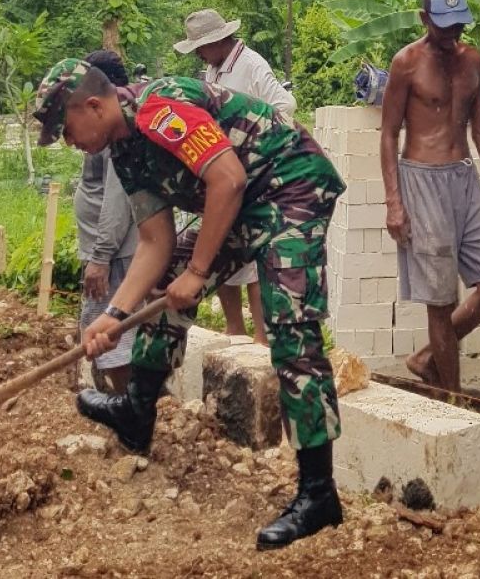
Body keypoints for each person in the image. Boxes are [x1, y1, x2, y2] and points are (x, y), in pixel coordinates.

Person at [32, 58, 345, 550]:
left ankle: (319, 494)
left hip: (292, 184)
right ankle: (137, 413)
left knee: (290, 329)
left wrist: (198, 274)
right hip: (249, 198)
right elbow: (155, 242)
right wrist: (114, 316)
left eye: (66, 130)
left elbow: (228, 180)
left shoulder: (160, 112)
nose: (68, 143)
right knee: (169, 278)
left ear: (93, 105)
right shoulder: (124, 153)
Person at [380, 0, 480, 393]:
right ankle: (452, 398)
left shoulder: (472, 60)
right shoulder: (406, 63)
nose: (451, 34)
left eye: (458, 25)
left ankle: (426, 358)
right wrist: (394, 202)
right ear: (425, 20)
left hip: (464, 178)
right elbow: (388, 134)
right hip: (422, 179)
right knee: (440, 300)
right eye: (443, 26)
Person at [175, 8, 297, 346]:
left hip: (251, 173)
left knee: (254, 255)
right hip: (219, 171)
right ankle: (234, 328)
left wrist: (250, 137)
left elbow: (284, 106)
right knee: (221, 248)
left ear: (217, 41)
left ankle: (261, 335)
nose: (198, 53)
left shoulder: (252, 65)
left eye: (200, 46)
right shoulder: (212, 71)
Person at [73, 50, 139, 393]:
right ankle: (127, 401)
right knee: (107, 331)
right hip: (109, 248)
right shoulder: (106, 124)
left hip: (115, 252)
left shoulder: (116, 130)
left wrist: (101, 256)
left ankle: (131, 406)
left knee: (115, 337)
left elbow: (119, 197)